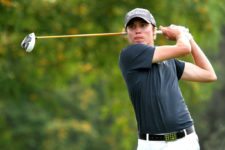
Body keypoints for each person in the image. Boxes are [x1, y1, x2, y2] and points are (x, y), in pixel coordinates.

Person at [119, 8, 217, 150]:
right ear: (126, 33)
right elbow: (183, 49)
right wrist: (180, 34)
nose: (137, 30)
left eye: (143, 25)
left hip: (184, 141)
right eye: (132, 27)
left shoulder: (169, 60)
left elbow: (208, 74)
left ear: (154, 32)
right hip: (150, 144)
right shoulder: (129, 55)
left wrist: (190, 39)